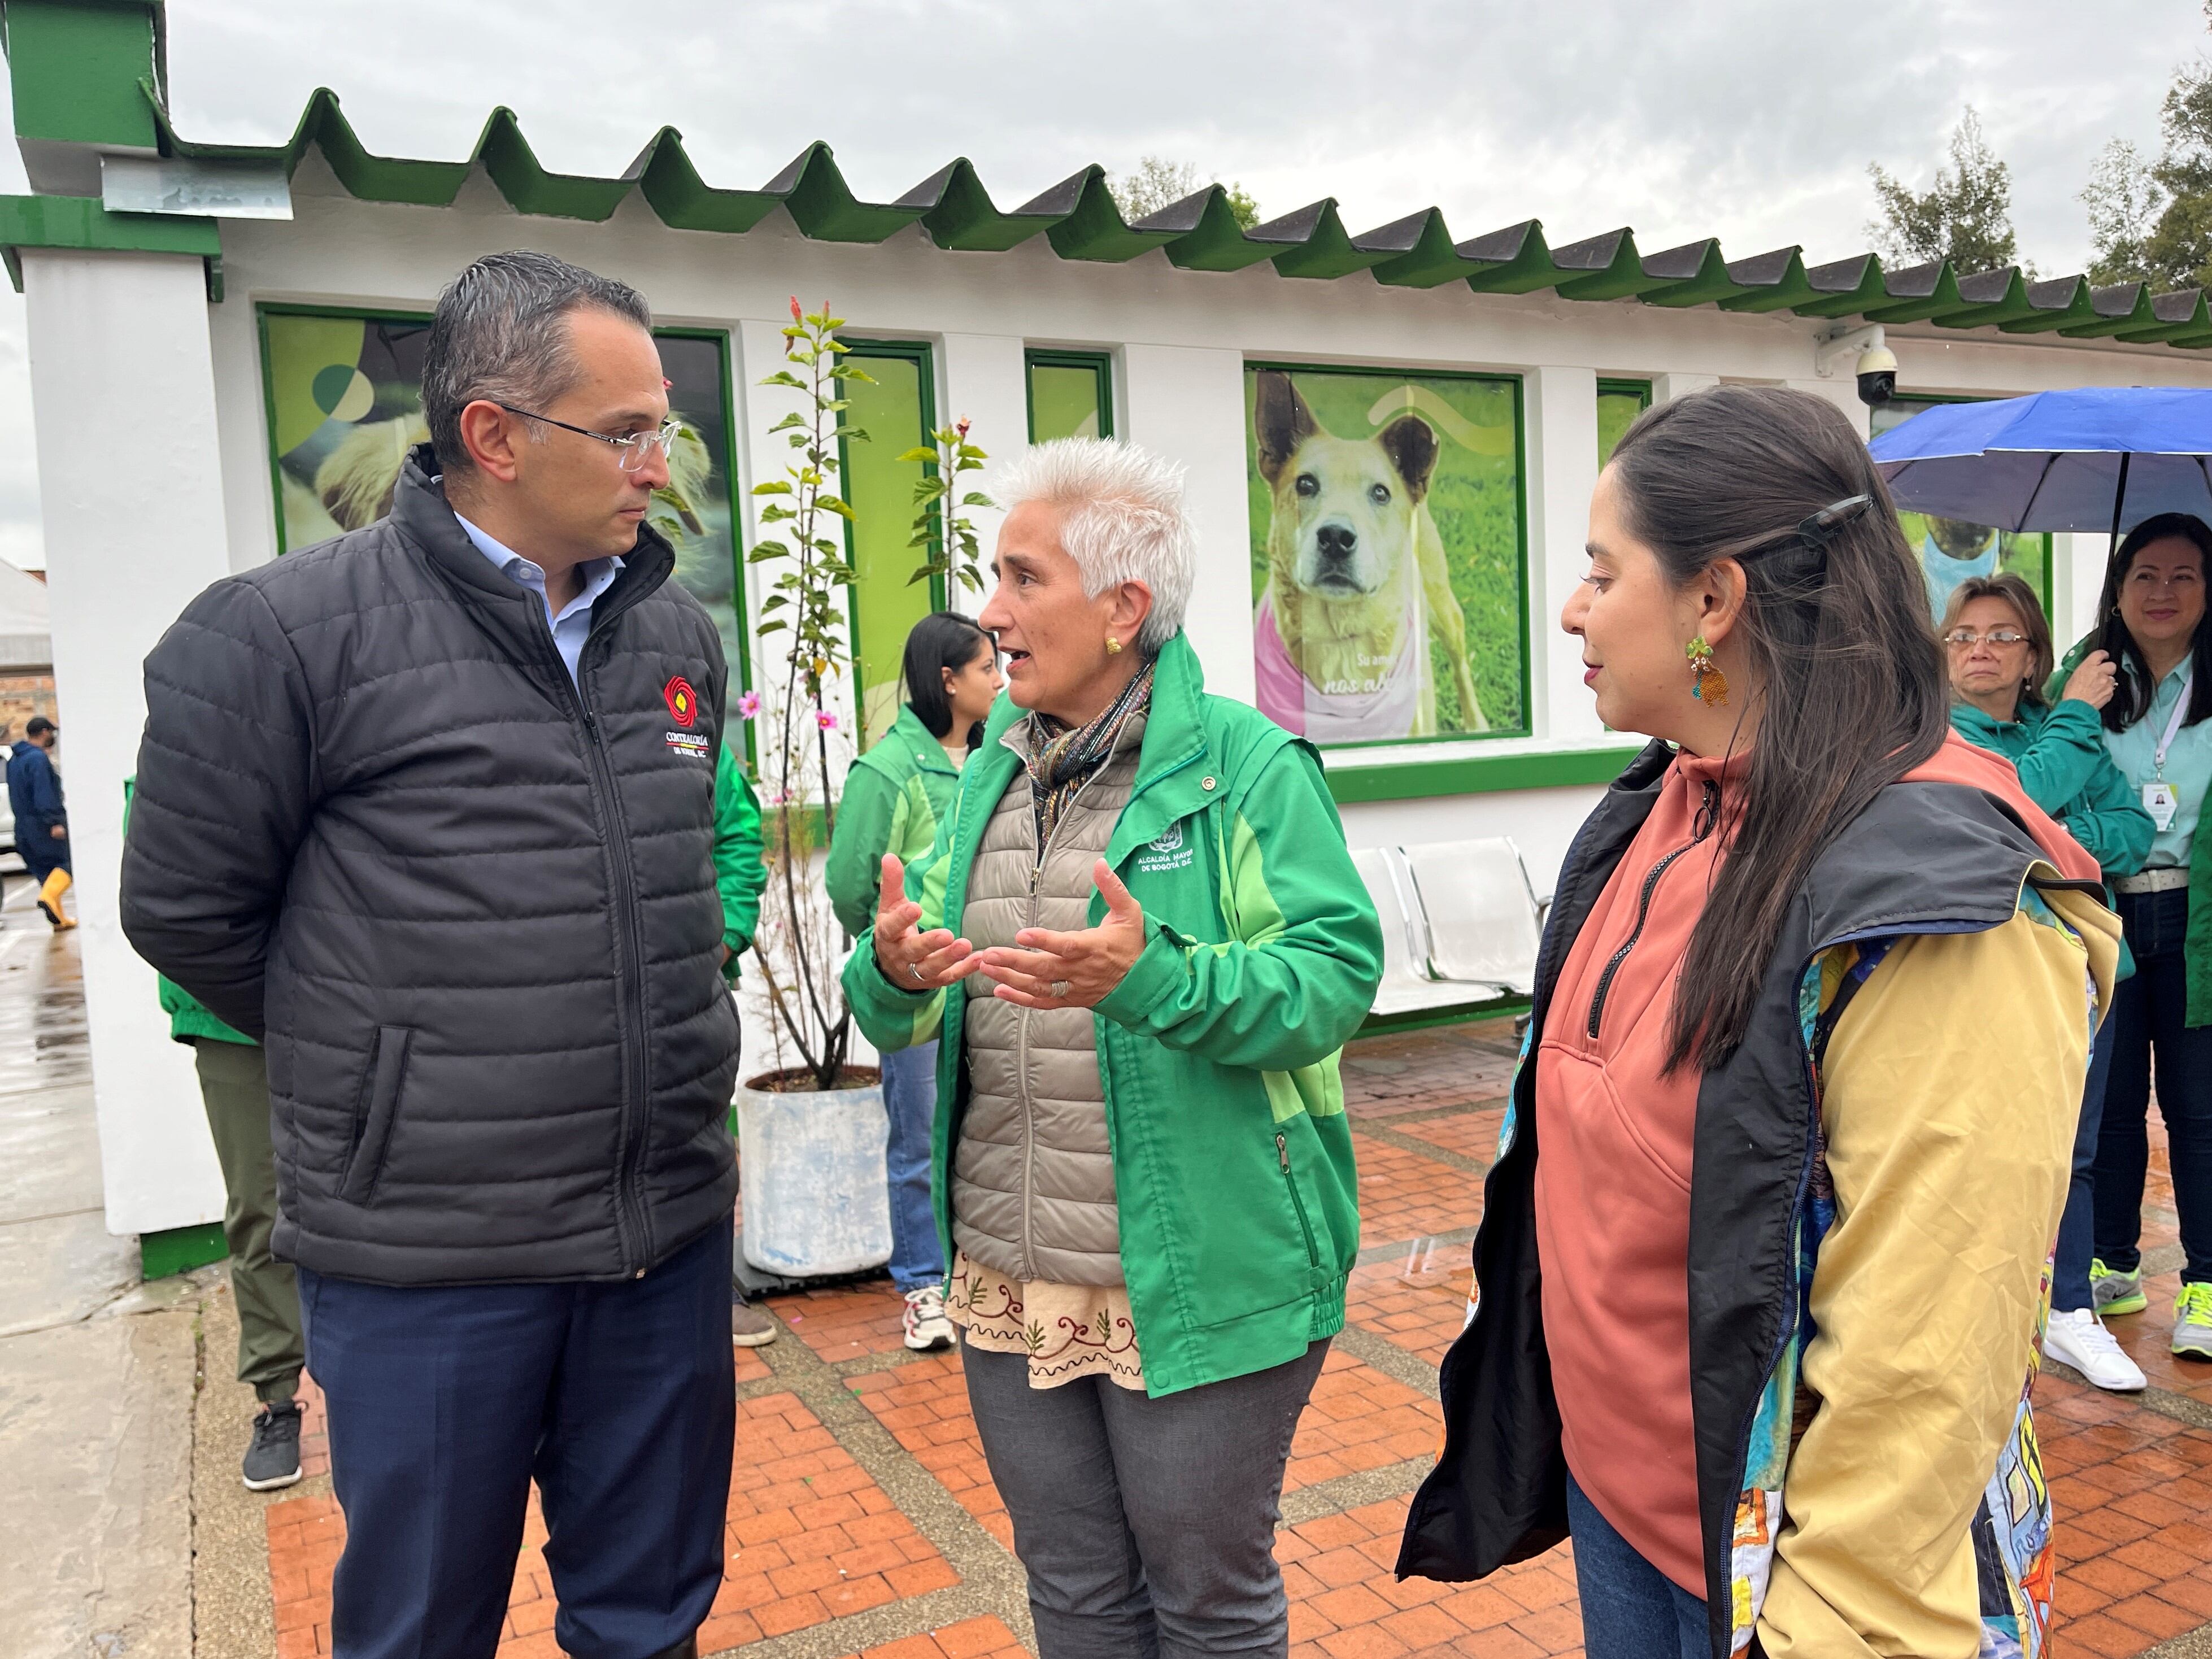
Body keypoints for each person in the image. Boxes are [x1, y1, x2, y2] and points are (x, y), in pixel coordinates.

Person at [1397, 387, 2119, 1659]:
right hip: (1620, 1499)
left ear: (1711, 600)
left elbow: (1924, 1365)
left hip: (1782, 1573)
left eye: (1599, 570)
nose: (1570, 607)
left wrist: (1831, 1623)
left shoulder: (1938, 891)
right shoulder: (1652, 809)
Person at [121, 251, 742, 1659]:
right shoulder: (280, 634)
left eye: (666, 429)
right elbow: (189, 910)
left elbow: (671, 870)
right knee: (417, 1628)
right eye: (629, 428)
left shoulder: (670, 627)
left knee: (651, 1618)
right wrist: (391, 1066)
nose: (660, 461)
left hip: (663, 1242)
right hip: (430, 1267)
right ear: (492, 435)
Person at [844, 438, 1382, 1657]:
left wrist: (1157, 981)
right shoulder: (990, 766)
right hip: (1009, 1269)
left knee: (1206, 1599)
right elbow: (901, 994)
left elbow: (1332, 981)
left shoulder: (1246, 766)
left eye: (1022, 579)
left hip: (1194, 1269)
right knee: (1073, 1592)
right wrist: (891, 964)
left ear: (1121, 607)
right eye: (995, 577)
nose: (991, 614)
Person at [1941, 573, 2153, 1392]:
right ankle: (1984, 1308)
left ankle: (2069, 1311)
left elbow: (2133, 833)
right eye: (1964, 635)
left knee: (2078, 1151)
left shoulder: (2057, 731)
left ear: (2033, 655)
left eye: (2001, 635)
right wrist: (2072, 719)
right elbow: (2010, 802)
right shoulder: (1934, 737)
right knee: (1988, 1148)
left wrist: (2055, 830)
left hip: (2085, 972)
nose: (1981, 649)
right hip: (1989, 972)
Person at [824, 611, 1002, 1352]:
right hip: (923, 988)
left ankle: (977, 1277)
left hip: (992, 987)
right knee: (919, 1137)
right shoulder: (888, 770)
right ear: (948, 681)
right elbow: (847, 883)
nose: (1001, 678)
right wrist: (893, 958)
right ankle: (924, 1287)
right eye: (987, 667)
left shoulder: (1005, 758)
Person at [2076, 511, 2212, 1364]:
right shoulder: (2084, 677)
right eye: (2144, 575)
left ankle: (2205, 1281)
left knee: (2200, 1113)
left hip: (2200, 919)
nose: (2161, 593)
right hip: (2106, 916)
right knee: (2114, 1109)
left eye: (2184, 575)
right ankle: (2113, 1264)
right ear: (2118, 589)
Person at [712, 740, 777, 1348]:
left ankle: (711, 1292)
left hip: (690, 992)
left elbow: (737, 834)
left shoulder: (683, 723)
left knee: (703, 1144)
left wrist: (725, 936)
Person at [8, 716, 72, 929]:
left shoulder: (14, 760)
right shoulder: (37, 759)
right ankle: (48, 899)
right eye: (51, 733)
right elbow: (44, 794)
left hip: (23, 827)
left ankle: (59, 920)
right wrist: (55, 822)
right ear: (44, 732)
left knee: (47, 872)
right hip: (42, 826)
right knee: (67, 864)